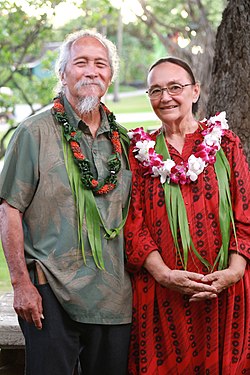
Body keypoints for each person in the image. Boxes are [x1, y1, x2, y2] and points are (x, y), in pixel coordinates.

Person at [0, 29, 132, 375]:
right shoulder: (33, 133)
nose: (91, 71)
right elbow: (9, 208)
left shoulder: (123, 141)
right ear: (63, 74)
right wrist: (21, 285)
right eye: (81, 63)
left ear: (110, 76)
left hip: (113, 300)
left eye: (100, 64)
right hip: (49, 293)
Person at [125, 56, 250, 374]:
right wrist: (165, 274)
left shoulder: (226, 146)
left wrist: (233, 273)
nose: (165, 97)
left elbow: (245, 212)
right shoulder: (140, 154)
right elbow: (131, 223)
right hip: (161, 300)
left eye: (174, 87)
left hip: (224, 298)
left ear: (195, 91)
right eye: (155, 90)